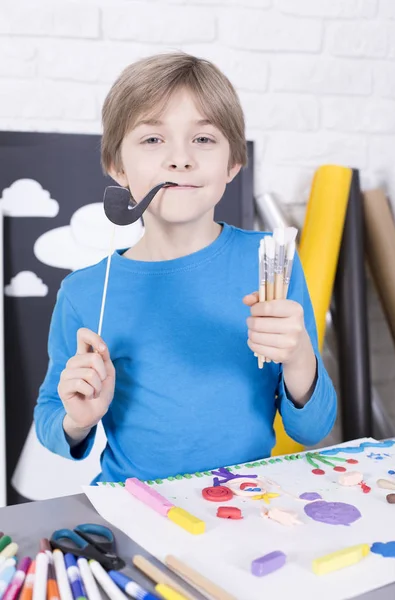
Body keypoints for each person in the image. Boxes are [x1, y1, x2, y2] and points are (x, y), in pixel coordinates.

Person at [34, 52, 337, 483]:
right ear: (117, 166)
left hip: (245, 505)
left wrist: (300, 356)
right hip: (133, 507)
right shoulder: (84, 292)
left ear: (233, 162)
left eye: (204, 139)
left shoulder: (270, 265)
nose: (180, 160)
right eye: (153, 139)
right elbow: (50, 418)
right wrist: (77, 419)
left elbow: (313, 429)